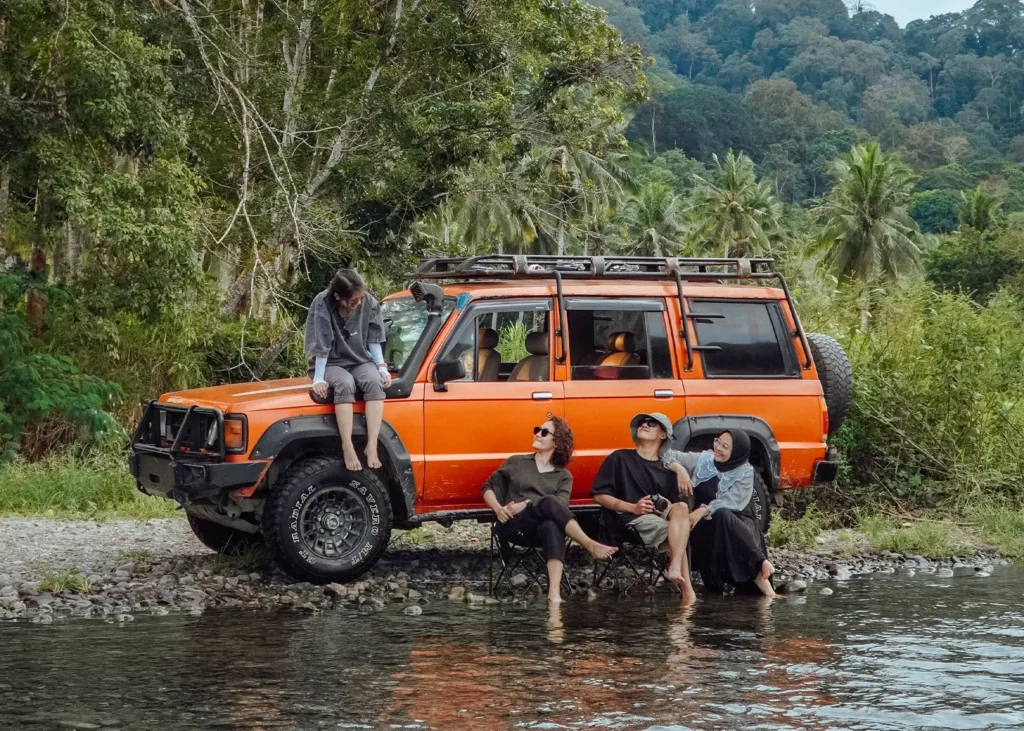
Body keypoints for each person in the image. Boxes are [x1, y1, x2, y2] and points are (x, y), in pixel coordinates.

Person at [482, 417, 618, 604]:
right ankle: (589, 544)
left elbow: (560, 505)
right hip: (513, 523)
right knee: (549, 502)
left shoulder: (563, 476)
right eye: (537, 430)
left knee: (552, 525)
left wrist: (528, 503)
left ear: (557, 442)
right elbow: (487, 487)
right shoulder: (517, 462)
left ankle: (554, 594)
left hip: (540, 530)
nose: (538, 434)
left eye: (544, 432)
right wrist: (498, 509)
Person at [591, 413, 697, 604]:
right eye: (642, 423)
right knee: (676, 531)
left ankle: (675, 567)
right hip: (629, 519)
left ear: (663, 435)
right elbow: (599, 495)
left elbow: (676, 509)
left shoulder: (667, 469)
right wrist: (633, 507)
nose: (644, 425)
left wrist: (681, 471)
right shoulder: (619, 458)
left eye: (652, 423)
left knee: (681, 507)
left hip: (659, 517)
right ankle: (688, 593)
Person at [664, 430, 776, 598]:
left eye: (725, 446)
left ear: (736, 451)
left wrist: (703, 510)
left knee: (723, 515)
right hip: (705, 525)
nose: (718, 448)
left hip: (738, 520)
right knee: (720, 517)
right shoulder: (703, 460)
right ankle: (762, 569)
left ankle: (763, 576)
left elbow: (732, 501)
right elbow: (665, 454)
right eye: (718, 442)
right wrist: (680, 469)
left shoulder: (745, 471)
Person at [304, 268, 391, 472]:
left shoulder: (369, 302)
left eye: (360, 298)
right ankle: (347, 445)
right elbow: (322, 342)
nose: (358, 303)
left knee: (375, 382)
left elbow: (374, 339)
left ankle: (372, 444)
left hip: (359, 359)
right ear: (338, 297)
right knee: (345, 383)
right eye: (353, 301)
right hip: (331, 362)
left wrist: (381, 367)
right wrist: (318, 378)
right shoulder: (323, 302)